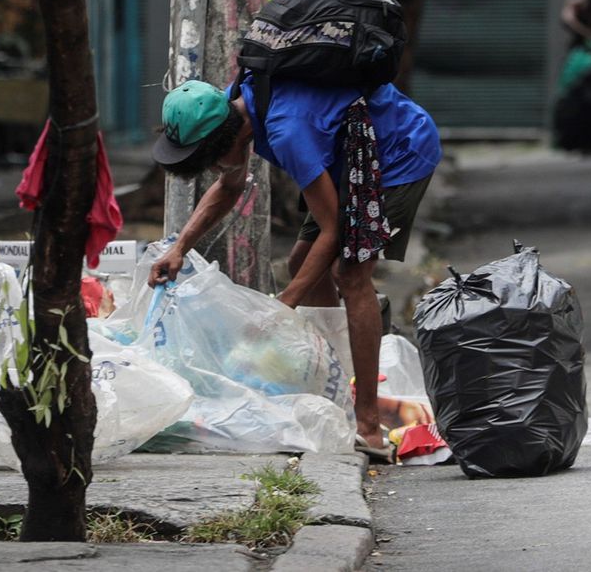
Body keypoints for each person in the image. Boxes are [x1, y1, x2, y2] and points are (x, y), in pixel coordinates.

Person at [147, 75, 440, 461]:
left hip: (396, 154)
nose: (218, 167)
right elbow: (230, 186)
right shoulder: (233, 105)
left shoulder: (286, 131)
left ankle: (368, 427)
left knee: (350, 275)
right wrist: (179, 247)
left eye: (214, 159)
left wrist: (282, 307)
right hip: (344, 158)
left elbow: (333, 233)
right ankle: (340, 385)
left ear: (226, 140)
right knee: (304, 263)